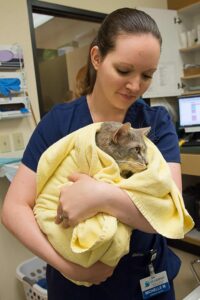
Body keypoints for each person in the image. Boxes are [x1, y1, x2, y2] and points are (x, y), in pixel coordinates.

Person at [1, 8, 183, 300]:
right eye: (124, 71)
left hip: (145, 277)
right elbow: (14, 209)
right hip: (74, 281)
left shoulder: (156, 123)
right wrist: (68, 268)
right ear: (96, 58)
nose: (136, 86)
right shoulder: (60, 123)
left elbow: (170, 212)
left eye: (147, 75)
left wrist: (101, 197)